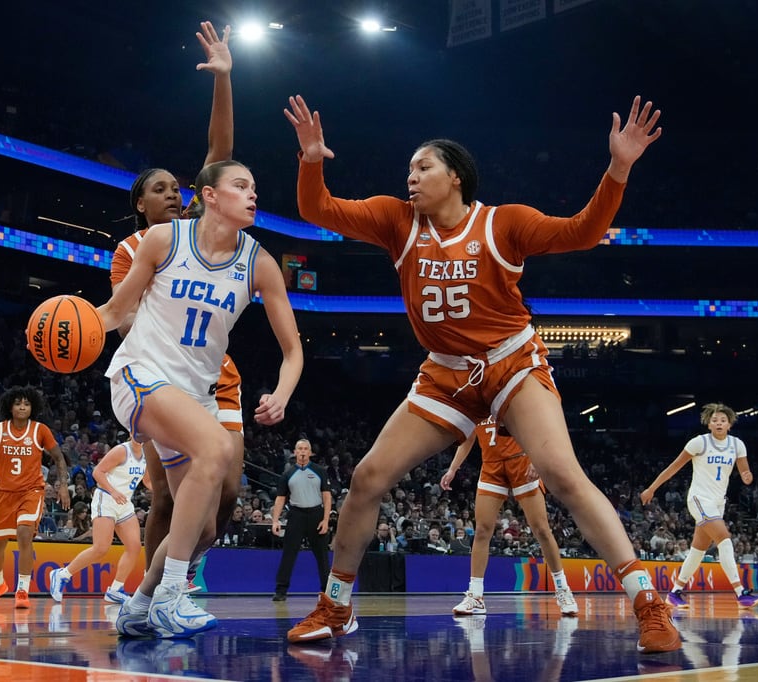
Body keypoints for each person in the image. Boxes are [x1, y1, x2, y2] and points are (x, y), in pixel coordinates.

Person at [282, 93, 679, 653]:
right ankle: (336, 606)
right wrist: (311, 158)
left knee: (563, 476)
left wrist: (617, 170)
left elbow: (581, 232)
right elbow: (317, 209)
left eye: (423, 168)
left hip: (511, 363)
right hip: (446, 375)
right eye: (410, 170)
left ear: (456, 177)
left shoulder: (504, 223)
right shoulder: (399, 222)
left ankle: (648, 603)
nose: (412, 178)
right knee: (368, 478)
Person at [99, 157, 302, 639]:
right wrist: (65, 328)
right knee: (218, 447)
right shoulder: (164, 240)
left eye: (254, 186)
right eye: (240, 185)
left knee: (205, 529)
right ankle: (172, 597)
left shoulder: (260, 263)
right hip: (139, 376)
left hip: (194, 398)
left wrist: (282, 392)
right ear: (210, 195)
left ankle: (141, 601)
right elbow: (114, 311)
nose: (253, 194)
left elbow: (293, 351)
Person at [109, 22, 248, 594]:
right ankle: (154, 592)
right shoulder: (133, 250)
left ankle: (173, 580)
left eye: (177, 187)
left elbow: (220, 153)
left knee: (228, 497)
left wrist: (223, 79)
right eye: (160, 188)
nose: (174, 192)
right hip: (159, 377)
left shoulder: (199, 229)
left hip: (217, 377)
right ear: (140, 204)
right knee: (167, 494)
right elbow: (120, 314)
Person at [441, 424, 579, 616]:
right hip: (491, 466)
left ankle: (562, 589)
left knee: (541, 529)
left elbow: (538, 428)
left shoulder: (511, 397)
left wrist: (537, 459)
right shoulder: (475, 401)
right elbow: (468, 439)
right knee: (482, 530)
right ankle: (476, 595)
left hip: (521, 462)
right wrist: (453, 469)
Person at [640, 402, 758, 609]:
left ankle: (674, 593)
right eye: (714, 420)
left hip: (718, 503)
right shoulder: (699, 443)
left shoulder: (737, 445)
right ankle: (741, 593)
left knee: (697, 551)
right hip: (699, 499)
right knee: (725, 539)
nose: (718, 423)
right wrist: (652, 489)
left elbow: (745, 471)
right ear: (708, 424)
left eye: (723, 420)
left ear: (729, 424)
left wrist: (747, 476)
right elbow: (674, 467)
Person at [0, 386, 70, 609]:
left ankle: (22, 590)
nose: (22, 407)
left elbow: (59, 458)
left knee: (24, 533)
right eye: (18, 403)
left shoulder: (40, 430)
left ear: (32, 408)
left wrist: (64, 486)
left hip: (31, 491)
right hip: (4, 493)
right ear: (10, 406)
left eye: (26, 404)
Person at [49, 439, 150, 604]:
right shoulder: (122, 450)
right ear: (131, 432)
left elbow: (147, 481)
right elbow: (97, 472)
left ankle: (115, 590)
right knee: (101, 548)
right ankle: (62, 575)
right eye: (136, 430)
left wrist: (165, 489)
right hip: (107, 499)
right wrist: (114, 491)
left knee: (134, 547)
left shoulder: (146, 455)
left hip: (124, 503)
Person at [270, 438, 333, 601]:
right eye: (300, 448)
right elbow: (280, 498)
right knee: (288, 554)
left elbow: (327, 497)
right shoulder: (288, 474)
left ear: (310, 452)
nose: (303, 451)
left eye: (306, 448)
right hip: (296, 515)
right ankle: (281, 590)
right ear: (295, 452)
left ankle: (327, 591)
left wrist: (326, 520)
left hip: (316, 514)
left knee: (322, 555)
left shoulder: (320, 471)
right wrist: (275, 520)